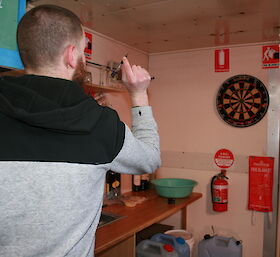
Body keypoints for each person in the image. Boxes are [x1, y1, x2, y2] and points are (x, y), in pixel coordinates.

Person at [0, 5, 160, 257]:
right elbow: (150, 159)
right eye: (85, 49)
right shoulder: (101, 124)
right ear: (72, 55)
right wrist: (139, 94)